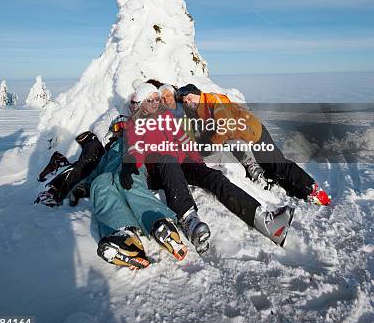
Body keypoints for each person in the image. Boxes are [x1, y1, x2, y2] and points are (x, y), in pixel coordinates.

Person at [125, 83, 295, 250]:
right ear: (141, 104)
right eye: (151, 100)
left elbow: (184, 139)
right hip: (159, 169)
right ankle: (189, 220)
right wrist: (133, 163)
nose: (156, 103)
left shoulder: (166, 117)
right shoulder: (134, 124)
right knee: (167, 158)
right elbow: (134, 148)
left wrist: (199, 163)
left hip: (182, 162)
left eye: (157, 99)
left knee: (214, 177)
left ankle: (265, 221)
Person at [35, 113, 188, 270]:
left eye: (125, 126)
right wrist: (84, 188)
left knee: (130, 185)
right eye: (117, 127)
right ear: (113, 131)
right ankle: (125, 237)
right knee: (99, 184)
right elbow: (95, 173)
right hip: (108, 174)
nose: (121, 130)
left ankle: (161, 224)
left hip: (130, 166)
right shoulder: (107, 153)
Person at [176, 84, 331, 205]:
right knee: (268, 167)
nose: (188, 102)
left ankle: (313, 189)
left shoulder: (214, 101)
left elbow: (225, 127)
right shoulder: (199, 108)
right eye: (185, 101)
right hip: (243, 137)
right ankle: (296, 191)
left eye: (189, 98)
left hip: (253, 133)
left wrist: (211, 144)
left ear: (197, 93)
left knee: (277, 164)